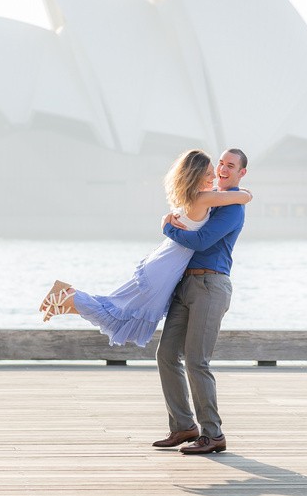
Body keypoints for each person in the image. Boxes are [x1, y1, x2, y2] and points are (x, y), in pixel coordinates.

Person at [38, 149, 251, 348]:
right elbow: (243, 196)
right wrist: (248, 193)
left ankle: (65, 300)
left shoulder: (194, 196)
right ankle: (69, 296)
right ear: (195, 175)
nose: (214, 177)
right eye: (209, 173)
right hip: (165, 267)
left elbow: (224, 195)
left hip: (162, 262)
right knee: (116, 317)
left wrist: (166, 224)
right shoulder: (205, 197)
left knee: (118, 308)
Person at [153, 147, 248, 456]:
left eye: (230, 166)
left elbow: (200, 241)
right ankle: (182, 426)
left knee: (197, 360)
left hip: (211, 284)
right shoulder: (206, 197)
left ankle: (213, 434)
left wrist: (167, 228)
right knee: (166, 354)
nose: (223, 168)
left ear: (240, 173)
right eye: (220, 163)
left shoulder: (232, 207)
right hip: (186, 284)